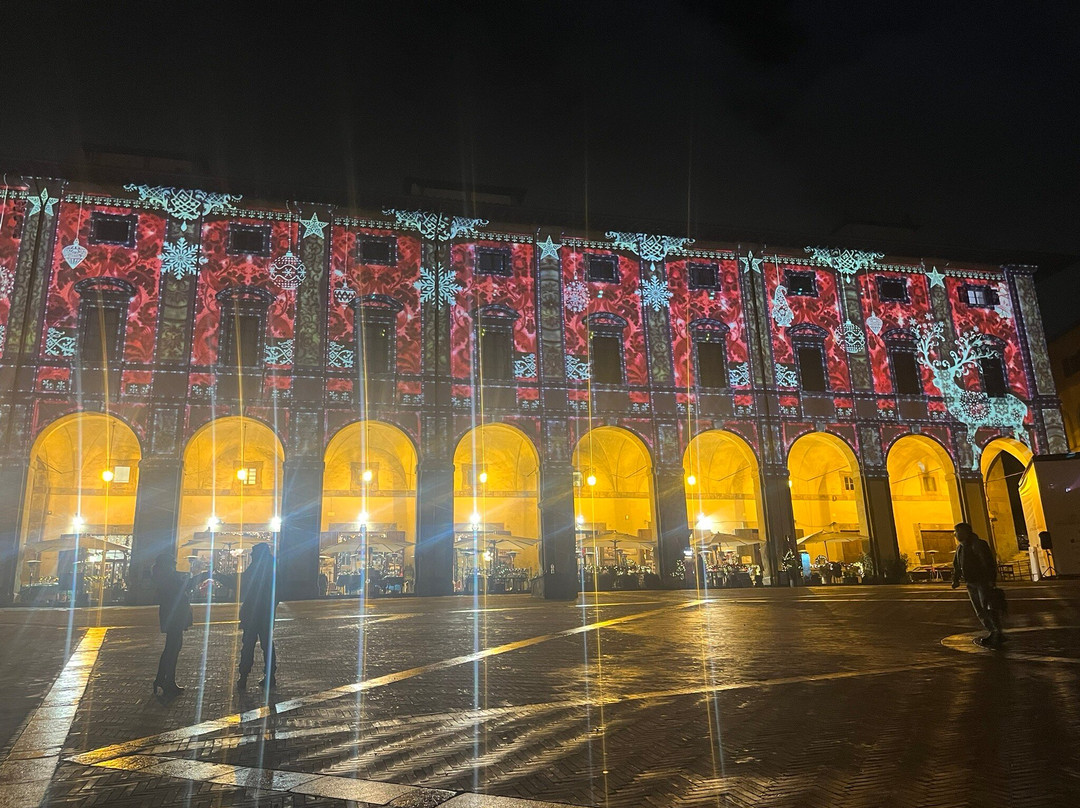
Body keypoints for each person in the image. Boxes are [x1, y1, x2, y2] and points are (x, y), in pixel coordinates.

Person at [951, 522, 1004, 646]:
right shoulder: (960, 548)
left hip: (982, 581)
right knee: (980, 610)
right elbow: (957, 565)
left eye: (957, 532)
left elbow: (988, 562)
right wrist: (956, 579)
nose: (955, 535)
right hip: (970, 583)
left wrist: (991, 579)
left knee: (988, 607)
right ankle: (993, 631)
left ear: (965, 532)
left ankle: (997, 632)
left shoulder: (978, 544)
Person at [237, 543, 278, 690]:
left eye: (253, 553)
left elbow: (242, 583)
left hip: (253, 614)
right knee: (267, 645)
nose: (251, 555)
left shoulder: (256, 568)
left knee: (248, 645)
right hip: (266, 613)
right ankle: (270, 675)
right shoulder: (272, 567)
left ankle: (243, 676)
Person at [152, 552, 193, 699]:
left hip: (173, 615)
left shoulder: (166, 577)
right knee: (172, 648)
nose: (175, 565)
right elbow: (181, 589)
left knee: (173, 648)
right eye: (173, 563)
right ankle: (166, 681)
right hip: (174, 616)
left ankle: (163, 679)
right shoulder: (167, 579)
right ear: (166, 565)